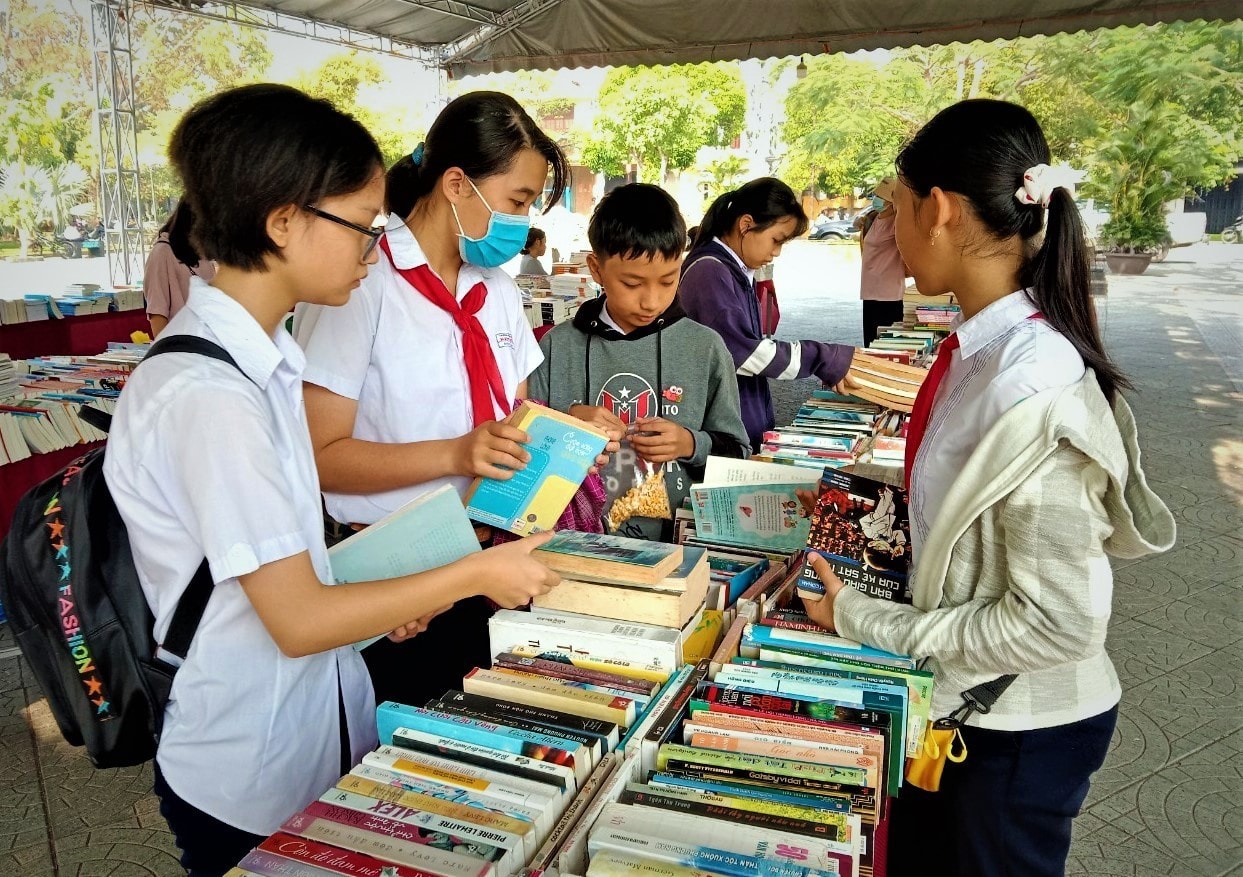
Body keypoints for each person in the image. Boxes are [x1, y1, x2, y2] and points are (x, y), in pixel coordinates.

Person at [101, 83, 559, 877]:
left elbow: (279, 570)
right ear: (283, 222)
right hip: (246, 766)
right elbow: (297, 618)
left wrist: (386, 598)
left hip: (303, 730)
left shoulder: (258, 362)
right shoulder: (209, 395)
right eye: (362, 225)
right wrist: (478, 570)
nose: (373, 247)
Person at [800, 99, 1175, 877]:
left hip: (1013, 736)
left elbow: (1055, 624)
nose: (886, 229)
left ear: (935, 209)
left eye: (891, 208)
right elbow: (976, 516)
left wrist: (860, 617)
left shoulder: (1028, 385)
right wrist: (862, 512)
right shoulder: (985, 347)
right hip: (971, 710)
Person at [297, 91, 570, 709]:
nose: (522, 224)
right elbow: (318, 455)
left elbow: (512, 429)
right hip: (392, 577)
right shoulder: (360, 282)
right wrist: (456, 454)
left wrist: (568, 435)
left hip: (490, 565)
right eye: (517, 202)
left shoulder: (498, 290)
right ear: (456, 184)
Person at [527, 183, 750, 542]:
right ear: (596, 269)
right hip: (569, 541)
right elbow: (524, 452)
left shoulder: (704, 348)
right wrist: (567, 423)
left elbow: (738, 453)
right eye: (632, 283)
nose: (651, 301)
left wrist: (690, 444)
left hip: (678, 546)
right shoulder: (558, 347)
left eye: (668, 280)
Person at [678, 177, 854, 450]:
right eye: (776, 240)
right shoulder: (709, 272)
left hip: (738, 415)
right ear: (746, 225)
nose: (777, 252)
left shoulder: (730, 268)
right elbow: (744, 353)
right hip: (719, 427)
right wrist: (823, 357)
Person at [144, 199, 217, 337]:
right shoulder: (162, 252)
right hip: (180, 345)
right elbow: (157, 313)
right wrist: (167, 351)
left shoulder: (203, 255)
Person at [858, 177, 909, 346]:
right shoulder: (873, 217)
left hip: (888, 292)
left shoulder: (897, 222)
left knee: (887, 342)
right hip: (870, 288)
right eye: (876, 196)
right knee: (870, 340)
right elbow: (857, 224)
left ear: (891, 202)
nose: (877, 200)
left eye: (881, 198)